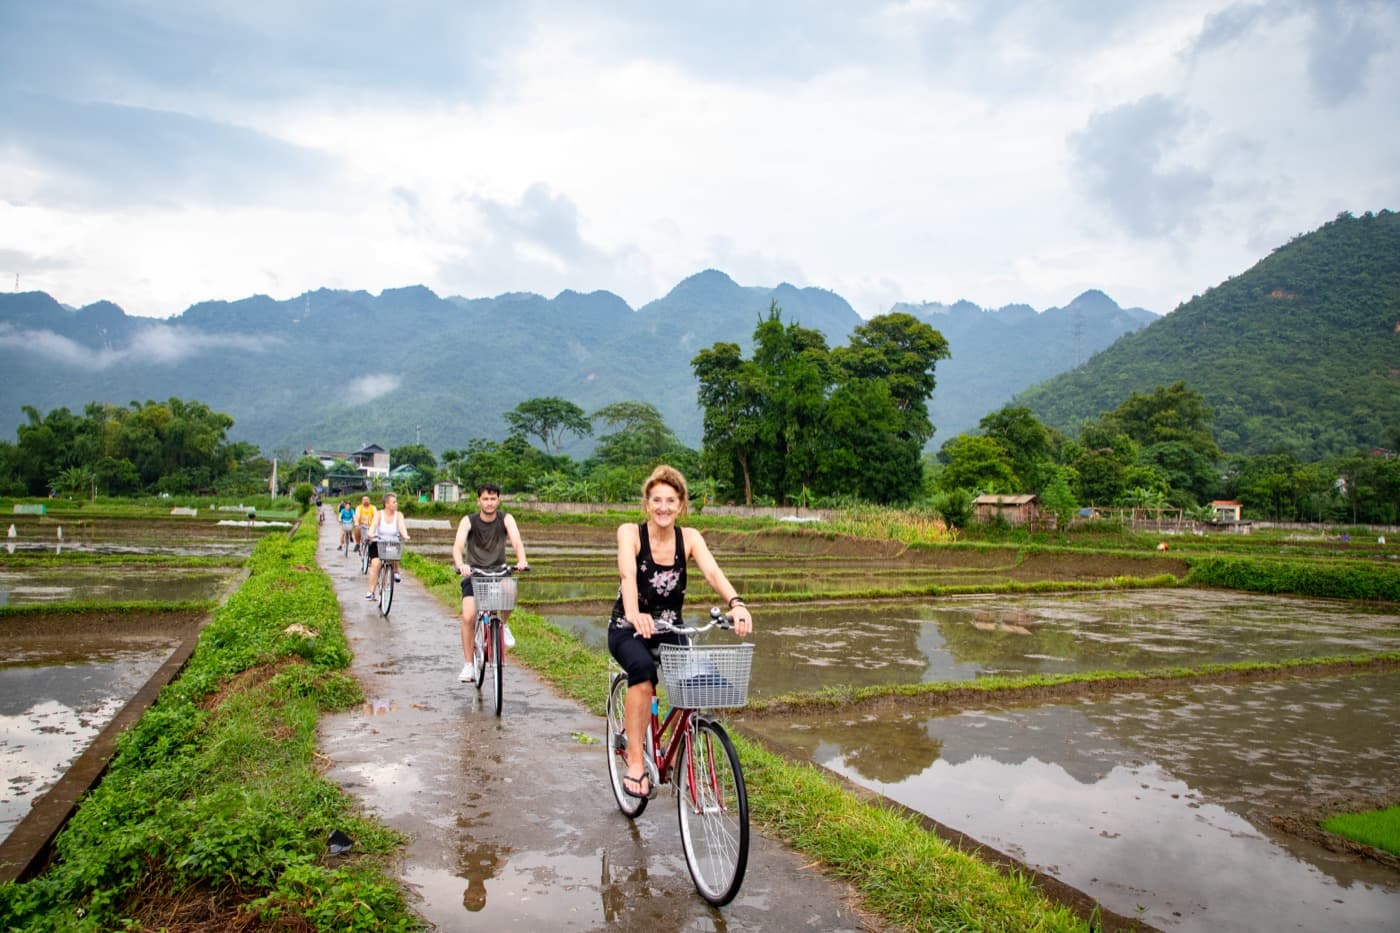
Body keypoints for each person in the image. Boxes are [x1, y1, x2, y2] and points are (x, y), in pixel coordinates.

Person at [609, 464, 752, 799]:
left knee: (697, 682)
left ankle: (675, 750)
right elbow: (628, 574)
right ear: (647, 504)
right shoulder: (630, 532)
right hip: (628, 626)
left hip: (671, 626)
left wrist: (737, 602)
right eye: (656, 500)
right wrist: (634, 613)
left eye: (670, 500)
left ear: (681, 505)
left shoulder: (689, 538)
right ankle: (634, 762)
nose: (663, 507)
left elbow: (713, 572)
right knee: (643, 674)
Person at [451, 483, 528, 681]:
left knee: (510, 590)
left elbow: (517, 541)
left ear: (498, 500)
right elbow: (458, 545)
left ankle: (503, 624)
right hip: (474, 574)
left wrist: (522, 560)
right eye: (485, 499)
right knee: (468, 617)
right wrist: (461, 565)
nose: (489, 502)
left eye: (493, 499)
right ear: (478, 501)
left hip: (499, 572)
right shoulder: (469, 521)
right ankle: (469, 664)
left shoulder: (506, 519)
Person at [365, 492, 409, 598]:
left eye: (396, 502)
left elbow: (402, 527)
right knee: (376, 564)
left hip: (392, 543)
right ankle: (371, 591)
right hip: (378, 542)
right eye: (394, 502)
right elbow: (374, 525)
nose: (396, 504)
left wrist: (405, 535)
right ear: (386, 504)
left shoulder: (399, 515)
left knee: (394, 555)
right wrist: (370, 533)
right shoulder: (379, 514)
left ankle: (396, 570)